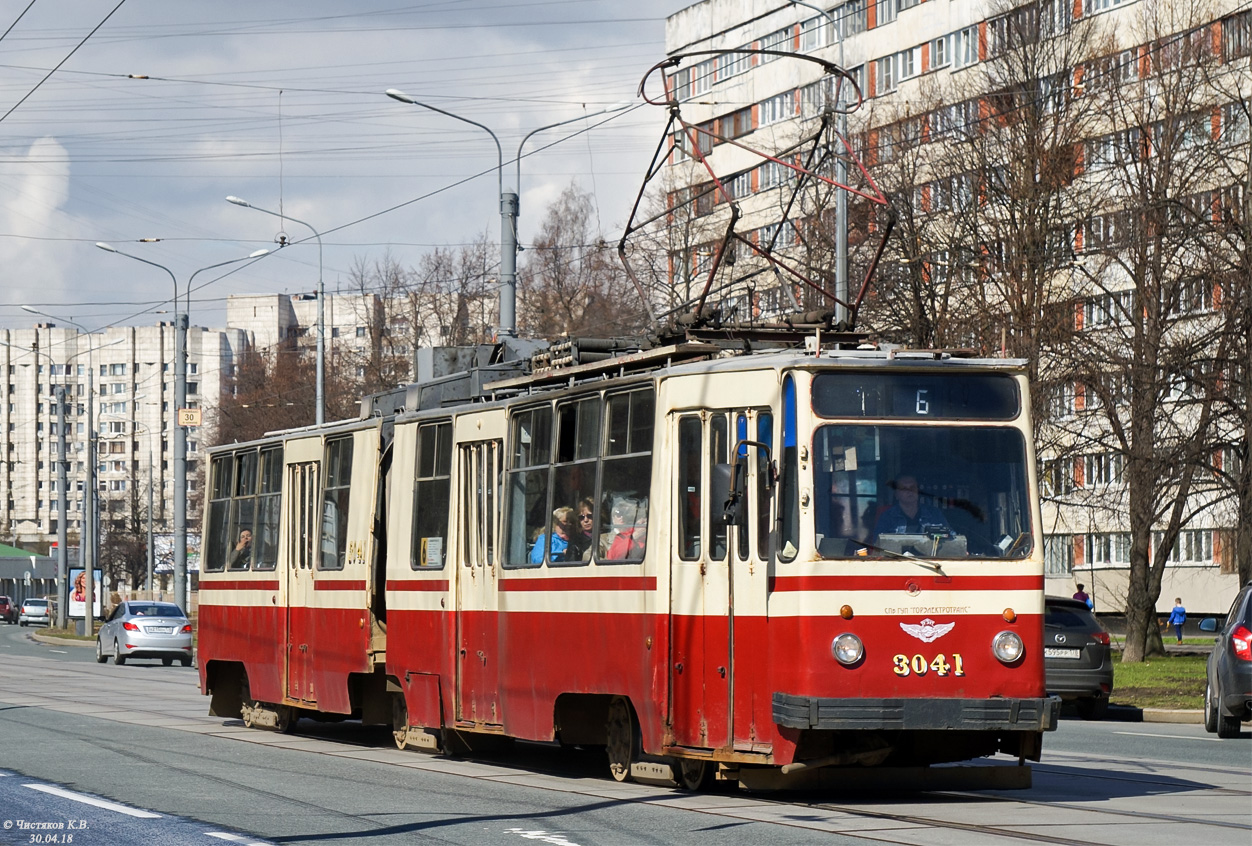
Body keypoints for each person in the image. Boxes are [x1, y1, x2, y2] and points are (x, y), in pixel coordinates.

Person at [874, 475, 950, 538]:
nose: (909, 491)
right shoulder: (887, 517)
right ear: (896, 494)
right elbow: (878, 545)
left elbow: (951, 537)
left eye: (912, 487)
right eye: (904, 488)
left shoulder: (934, 514)